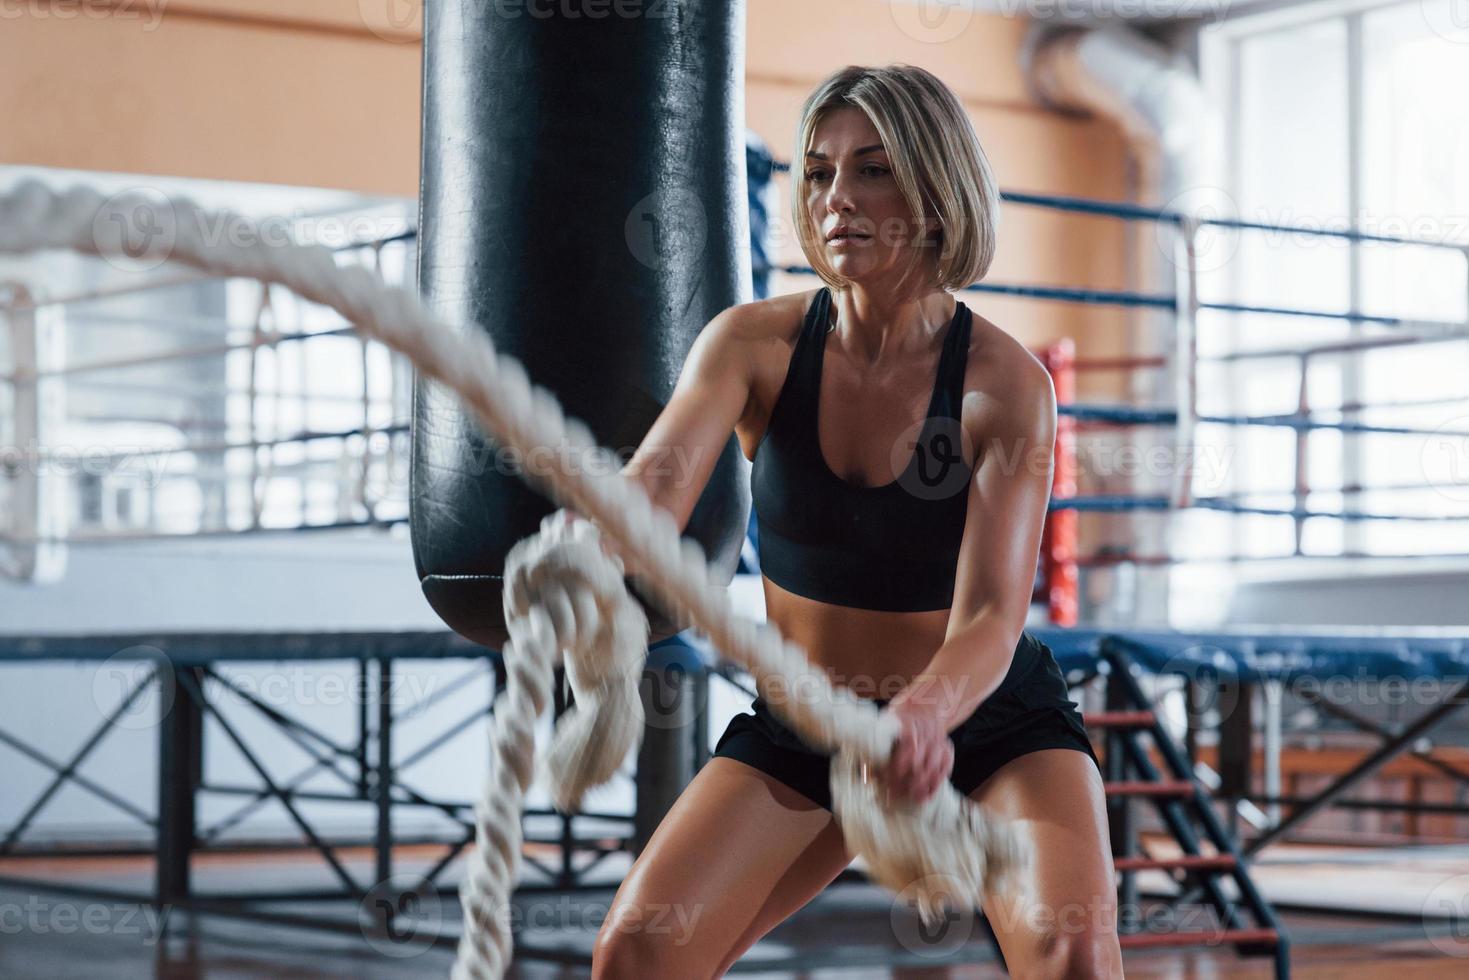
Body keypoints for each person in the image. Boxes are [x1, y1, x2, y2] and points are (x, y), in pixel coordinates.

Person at [591, 64, 1122, 979]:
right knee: (638, 956)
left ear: (934, 186)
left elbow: (993, 618)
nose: (838, 198)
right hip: (808, 726)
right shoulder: (749, 345)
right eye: (819, 171)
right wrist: (588, 542)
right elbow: (655, 487)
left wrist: (921, 714)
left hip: (983, 721)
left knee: (1070, 949)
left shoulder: (1005, 388)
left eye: (872, 168)